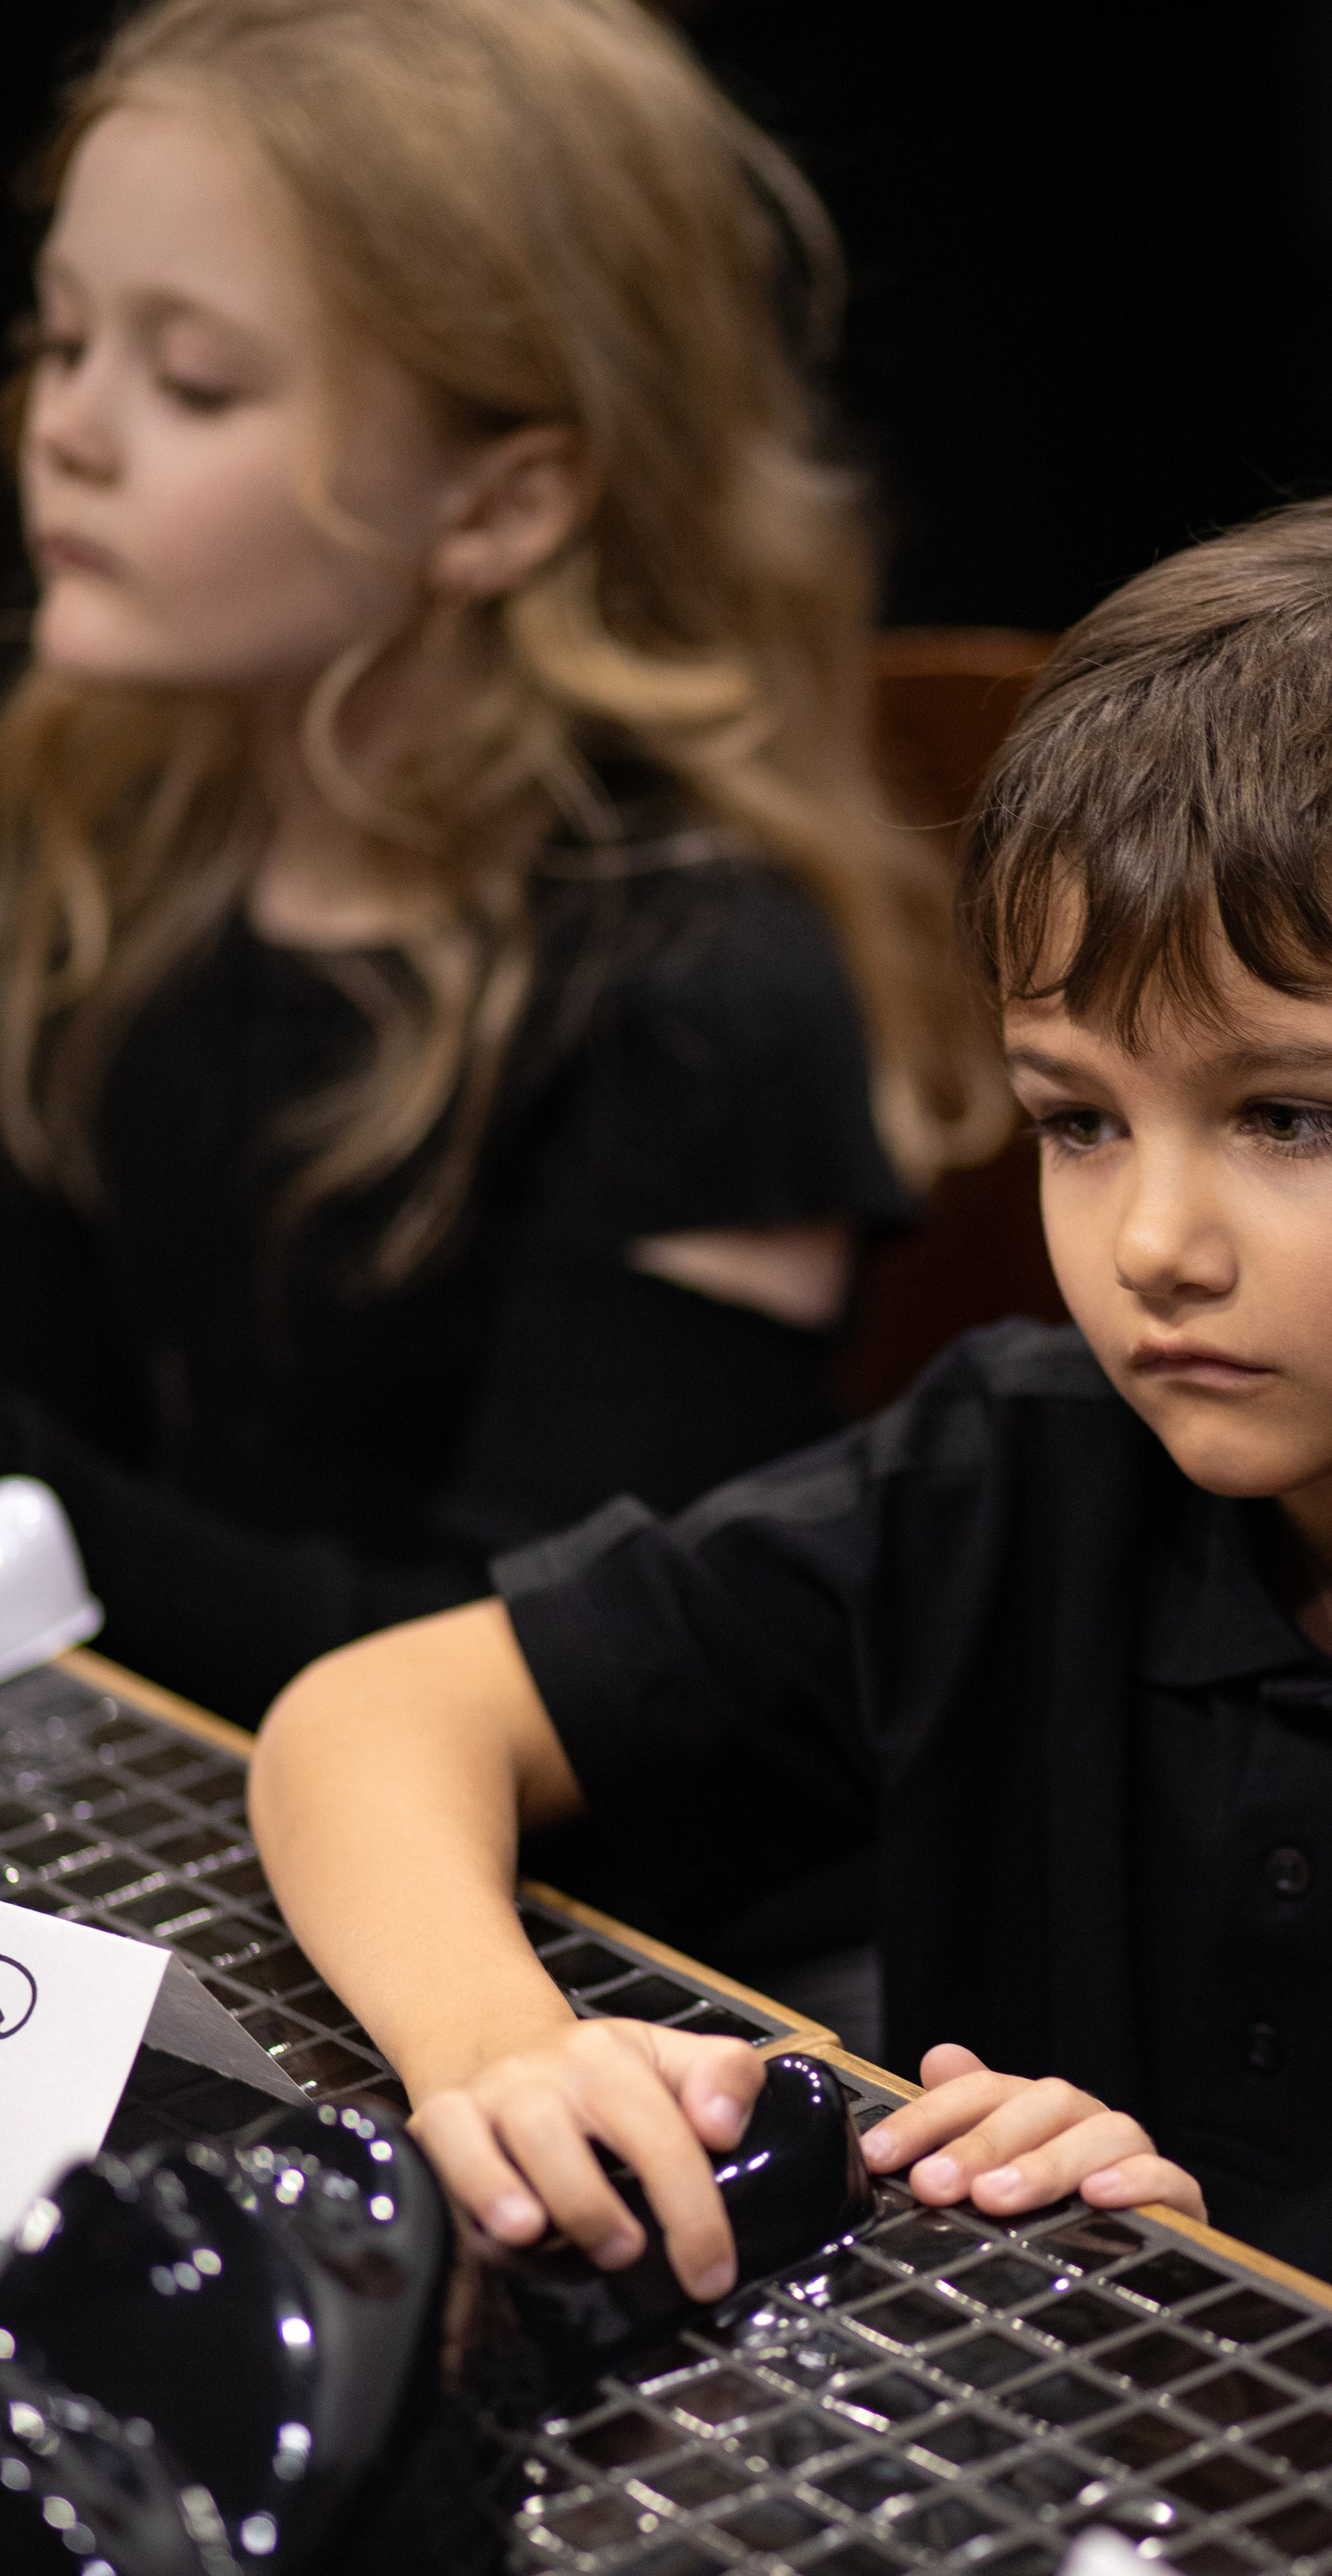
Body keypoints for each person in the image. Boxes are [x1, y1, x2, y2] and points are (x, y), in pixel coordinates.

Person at [252, 418, 1332, 2558]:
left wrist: (1242, 2345)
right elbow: (373, 1719)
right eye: (1081, 1120)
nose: (1149, 1240)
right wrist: (498, 2050)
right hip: (987, 2538)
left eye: (1284, 1119)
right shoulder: (1029, 1460)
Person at [0, 0, 999, 1739]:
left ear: (498, 509)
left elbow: (553, 1699)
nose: (66, 430)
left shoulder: (705, 993)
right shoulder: (107, 838)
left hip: (539, 1901)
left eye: (192, 381)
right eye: (60, 338)